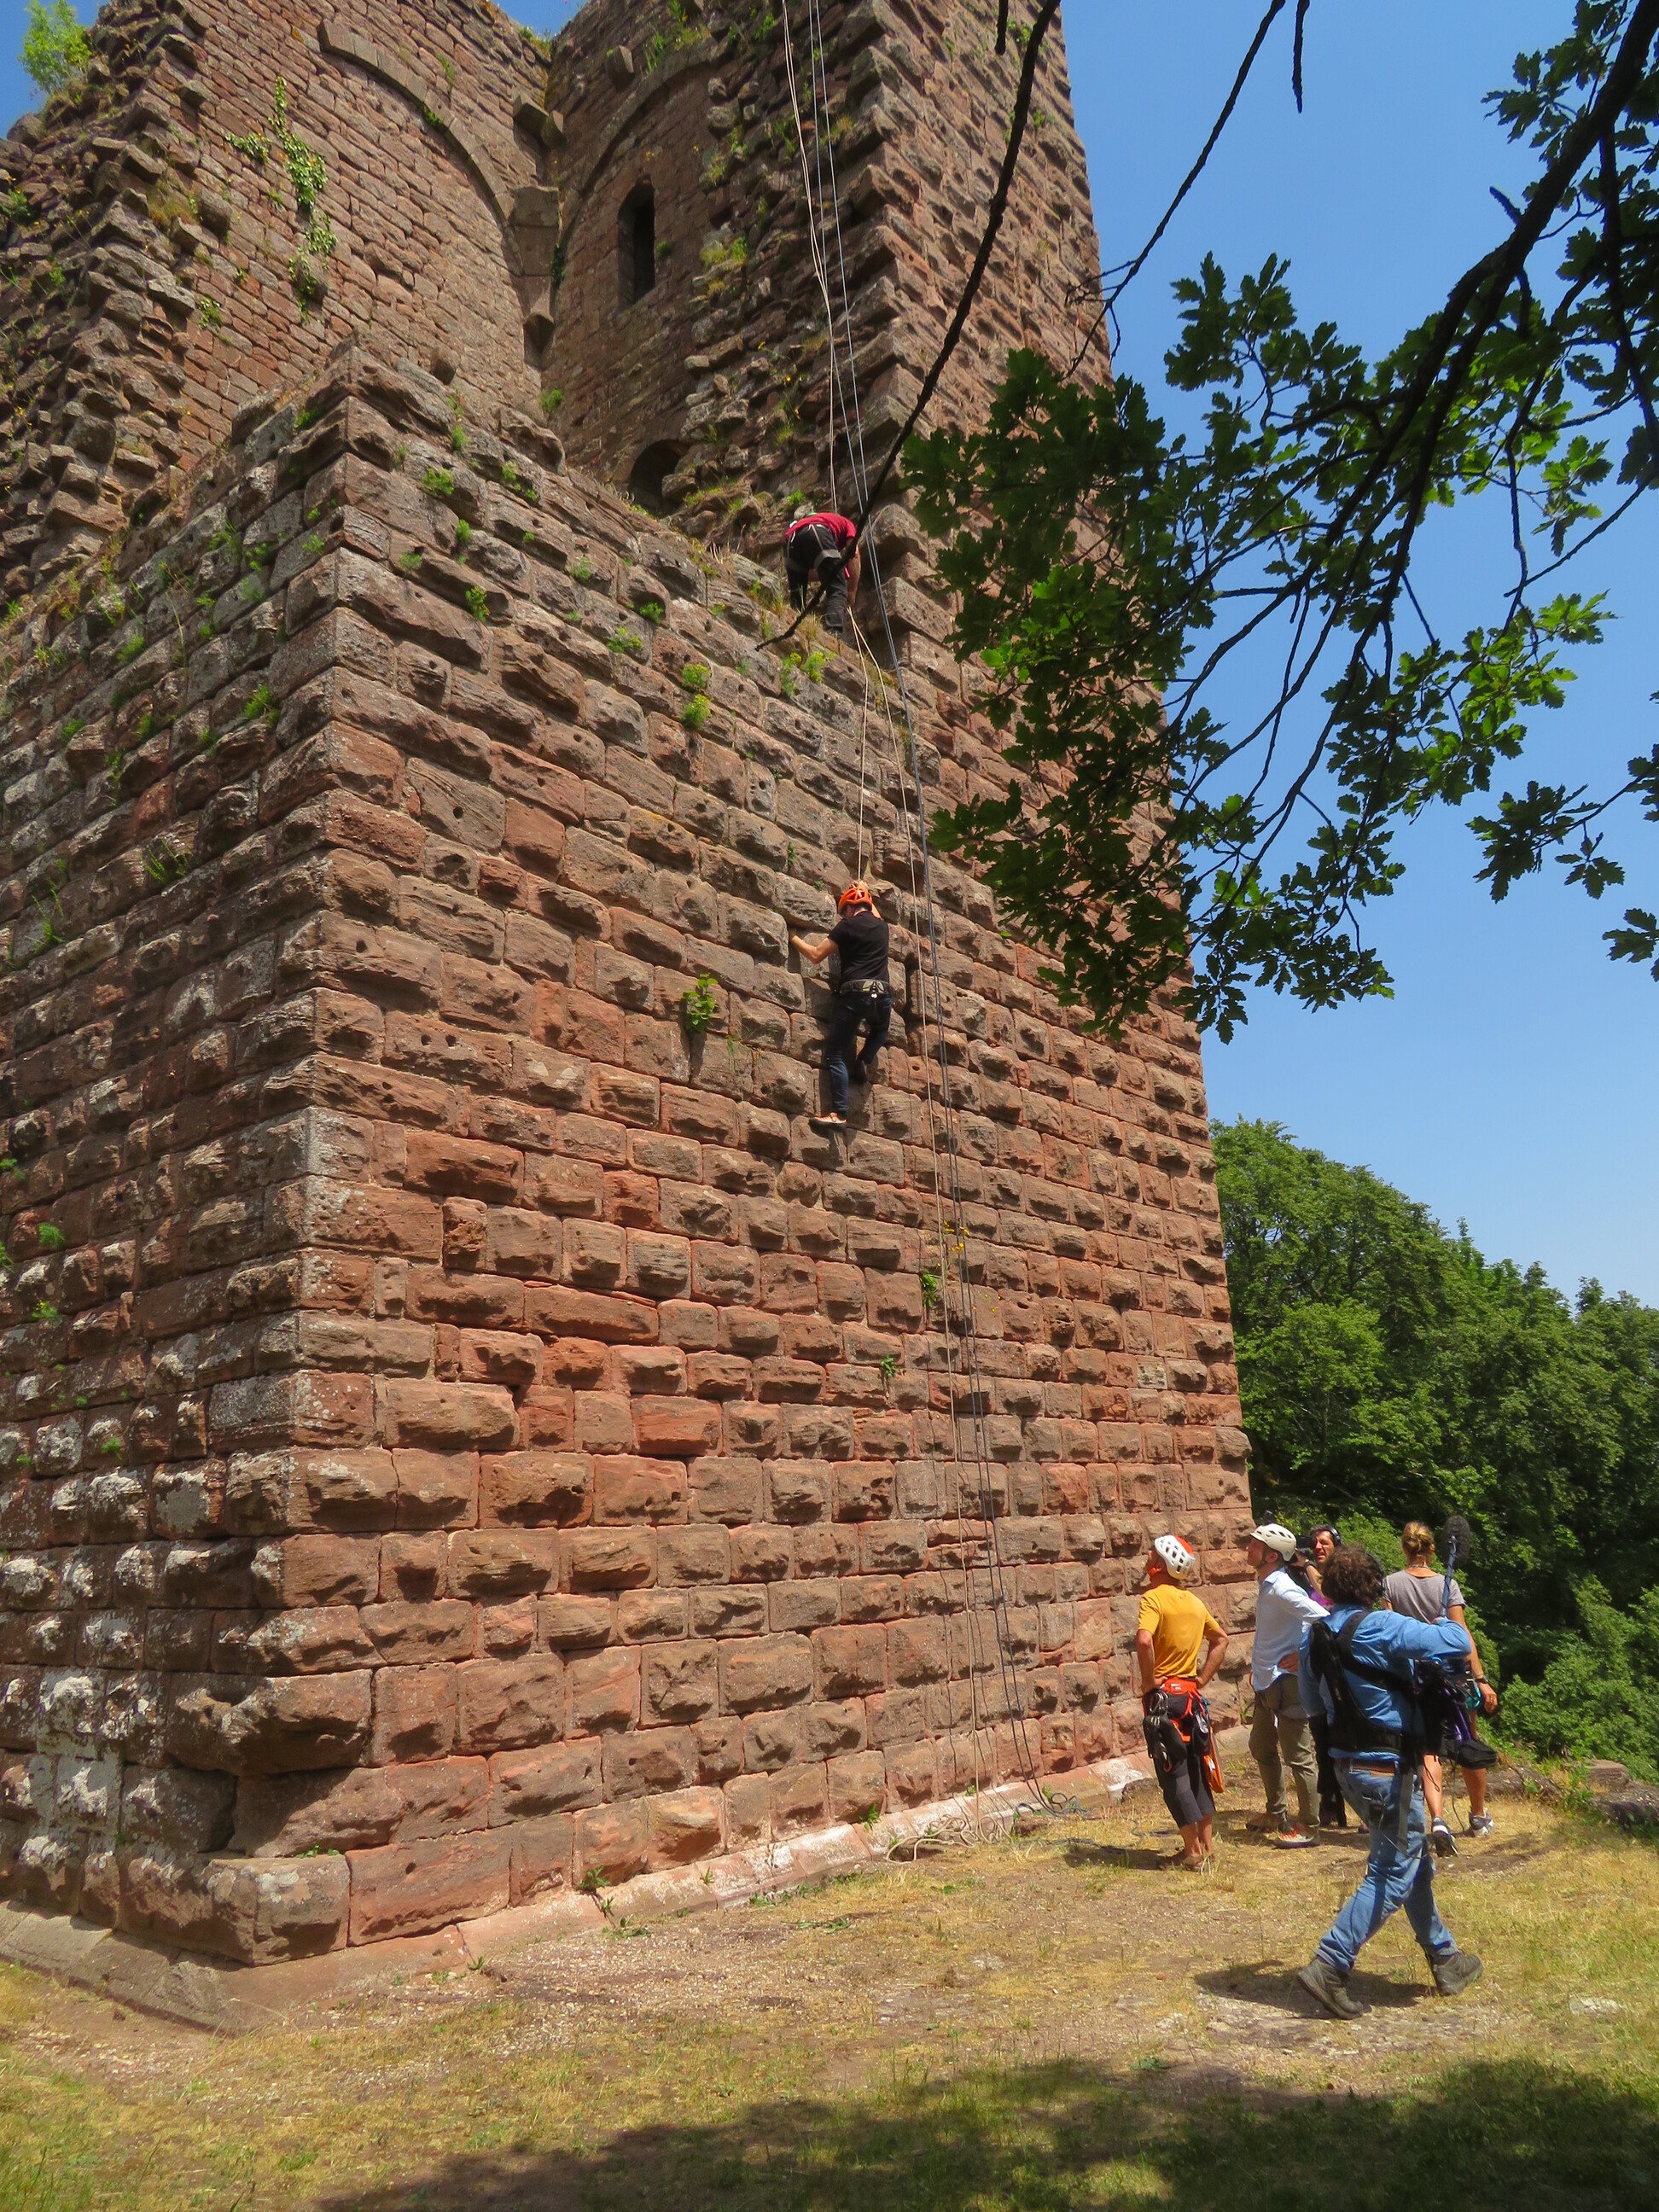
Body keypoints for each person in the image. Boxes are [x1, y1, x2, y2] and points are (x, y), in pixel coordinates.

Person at [1295, 1543, 1484, 2019]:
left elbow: (1313, 1706)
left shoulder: (1313, 1637)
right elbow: (1457, 1643)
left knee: (1411, 1860)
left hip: (1346, 1770)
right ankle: (1330, 1962)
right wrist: (1442, 1620)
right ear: (1373, 1587)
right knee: (1393, 1869)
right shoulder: (1381, 1626)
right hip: (1386, 1771)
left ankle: (1445, 1958)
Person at [1386, 1521, 1499, 1848]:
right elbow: (1462, 1636)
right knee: (1468, 1740)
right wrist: (1481, 1680)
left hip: (1414, 1678)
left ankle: (1437, 1818)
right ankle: (1478, 1816)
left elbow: (1390, 1634)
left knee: (1428, 1747)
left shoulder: (1390, 1584)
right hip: (1452, 1676)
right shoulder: (1447, 1585)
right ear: (1431, 1549)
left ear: (1405, 1548)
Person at [1136, 1534, 1230, 1870]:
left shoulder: (1153, 1599)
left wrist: (1149, 1682)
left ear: (1160, 1564)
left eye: (1152, 1553)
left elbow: (1144, 1641)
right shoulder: (1194, 1602)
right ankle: (1207, 1846)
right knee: (1196, 1771)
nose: (1147, 1557)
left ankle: (1192, 1853)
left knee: (1173, 1775)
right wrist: (1201, 1679)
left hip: (1164, 1702)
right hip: (1191, 1699)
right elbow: (1221, 1640)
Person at [1244, 1522, 1325, 1847]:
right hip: (1268, 1683)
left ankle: (1310, 1826)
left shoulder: (1281, 1588)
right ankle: (1277, 1813)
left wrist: (1303, 1654)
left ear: (1271, 1556)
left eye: (1255, 1545)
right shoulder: (1268, 1585)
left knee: (1299, 1757)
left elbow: (1323, 1618)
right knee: (1261, 1746)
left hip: (1287, 1684)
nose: (1248, 1548)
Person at [791, 882, 892, 1132]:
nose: (843, 916)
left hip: (855, 995)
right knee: (880, 1030)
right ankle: (864, 1060)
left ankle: (839, 1113)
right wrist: (866, 889)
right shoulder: (882, 928)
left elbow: (816, 955)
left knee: (835, 1054)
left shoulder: (847, 926)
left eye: (843, 911)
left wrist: (794, 938)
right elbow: (874, 913)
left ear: (848, 908)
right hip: (882, 996)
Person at [783, 509, 861, 634]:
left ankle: (794, 631)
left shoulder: (805, 522)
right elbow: (854, 555)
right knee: (837, 589)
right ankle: (833, 633)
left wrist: (831, 573)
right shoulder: (847, 524)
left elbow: (807, 574)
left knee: (797, 599)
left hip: (790, 541)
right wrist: (851, 591)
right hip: (816, 531)